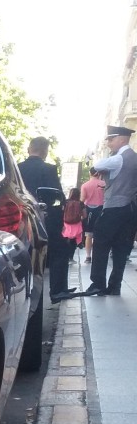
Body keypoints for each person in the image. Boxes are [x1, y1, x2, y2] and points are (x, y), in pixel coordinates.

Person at [86, 125, 137, 296]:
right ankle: (115, 286)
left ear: (121, 139)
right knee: (121, 249)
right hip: (130, 209)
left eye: (111, 139)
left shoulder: (118, 158)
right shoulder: (135, 158)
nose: (108, 142)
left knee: (100, 244)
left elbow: (97, 164)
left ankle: (98, 284)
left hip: (114, 208)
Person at [18, 136, 69, 300]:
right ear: (45, 151)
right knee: (59, 250)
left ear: (29, 149)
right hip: (44, 215)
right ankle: (58, 289)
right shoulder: (49, 169)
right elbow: (57, 195)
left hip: (22, 215)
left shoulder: (18, 168)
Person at [81, 167, 105, 263]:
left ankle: (88, 256)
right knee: (100, 233)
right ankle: (98, 255)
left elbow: (82, 200)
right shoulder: (104, 184)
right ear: (99, 173)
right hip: (102, 209)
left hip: (89, 210)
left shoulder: (85, 185)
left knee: (89, 234)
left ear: (89, 173)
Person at [62, 187, 85, 258]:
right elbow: (85, 215)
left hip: (66, 224)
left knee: (65, 239)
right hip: (77, 224)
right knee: (74, 240)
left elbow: (61, 211)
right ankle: (71, 256)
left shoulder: (65, 202)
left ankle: (65, 254)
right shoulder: (81, 203)